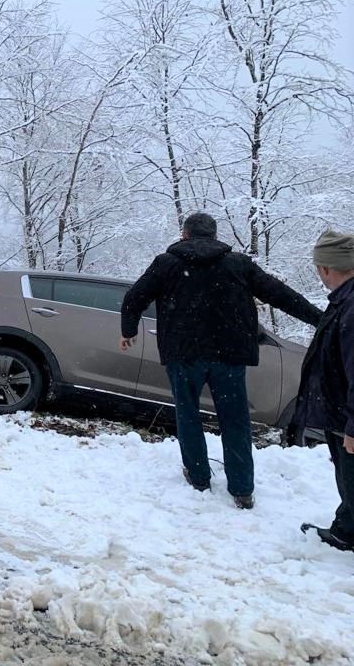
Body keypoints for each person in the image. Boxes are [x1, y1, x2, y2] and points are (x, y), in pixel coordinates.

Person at [120, 212, 322, 509]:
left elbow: (134, 298)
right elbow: (279, 294)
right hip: (228, 356)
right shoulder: (237, 263)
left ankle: (199, 477)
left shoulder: (166, 263)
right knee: (235, 419)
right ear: (215, 235)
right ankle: (242, 489)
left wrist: (129, 331)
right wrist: (320, 319)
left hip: (184, 354)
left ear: (184, 234)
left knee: (188, 414)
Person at [291, 230, 354, 552]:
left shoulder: (351, 306)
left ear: (327, 268)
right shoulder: (345, 300)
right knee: (347, 480)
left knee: (352, 480)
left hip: (347, 415)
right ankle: (345, 531)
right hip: (340, 410)